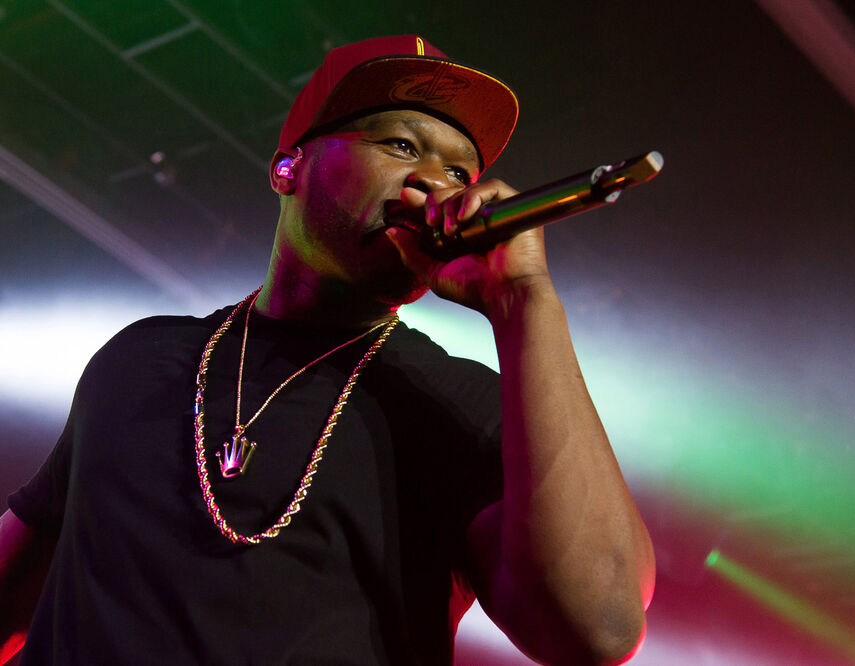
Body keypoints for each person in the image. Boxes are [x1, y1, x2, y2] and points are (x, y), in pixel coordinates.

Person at [0, 35, 655, 665]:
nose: (438, 183)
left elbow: (600, 626)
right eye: (402, 144)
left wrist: (523, 302)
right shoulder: (138, 359)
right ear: (289, 168)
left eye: (460, 171)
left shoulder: (455, 402)